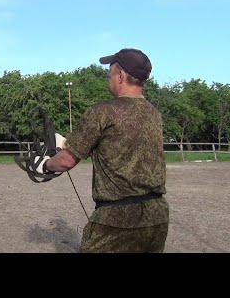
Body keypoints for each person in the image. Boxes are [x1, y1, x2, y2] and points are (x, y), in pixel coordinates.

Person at [35, 48, 169, 253]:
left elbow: (67, 161)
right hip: (156, 217)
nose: (108, 76)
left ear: (121, 76)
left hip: (115, 219)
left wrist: (44, 165)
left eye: (110, 72)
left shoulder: (102, 112)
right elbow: (117, 146)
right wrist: (66, 143)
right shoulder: (154, 114)